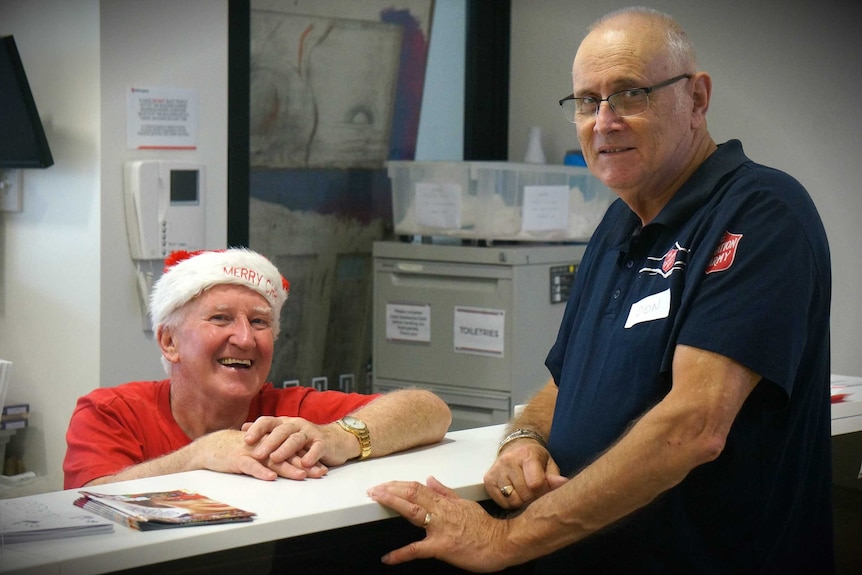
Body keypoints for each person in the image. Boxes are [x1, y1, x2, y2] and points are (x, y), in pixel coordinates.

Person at [368, 7, 833, 574]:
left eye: (630, 94)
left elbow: (694, 427)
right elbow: (569, 384)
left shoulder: (761, 213)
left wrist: (503, 541)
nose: (604, 121)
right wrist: (522, 439)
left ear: (697, 98)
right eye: (587, 101)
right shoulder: (619, 224)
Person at [64, 248, 451, 489]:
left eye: (261, 322)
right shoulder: (110, 411)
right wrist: (197, 456)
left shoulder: (290, 411)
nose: (246, 339)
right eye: (220, 318)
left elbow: (431, 411)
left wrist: (338, 437)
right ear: (169, 341)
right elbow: (86, 501)